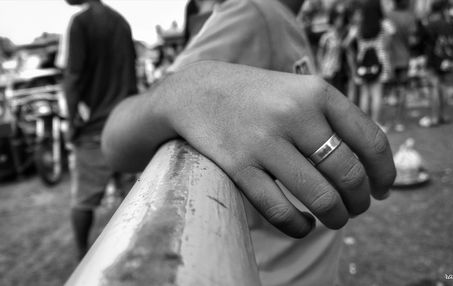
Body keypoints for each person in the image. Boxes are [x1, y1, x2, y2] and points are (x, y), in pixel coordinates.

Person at [102, 0, 396, 285]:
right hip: (269, 272)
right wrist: (189, 87)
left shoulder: (280, 16)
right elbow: (115, 138)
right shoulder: (252, 11)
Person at [63, 0, 137, 259]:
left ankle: (81, 254)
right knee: (133, 194)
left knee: (84, 199)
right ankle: (136, 247)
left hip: (95, 127)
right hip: (126, 122)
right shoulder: (121, 22)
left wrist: (72, 122)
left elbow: (73, 76)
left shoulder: (81, 23)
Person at [344, 0, 394, 131]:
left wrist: (354, 57)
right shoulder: (383, 23)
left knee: (365, 94)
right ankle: (376, 123)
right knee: (377, 93)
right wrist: (383, 47)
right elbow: (391, 36)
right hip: (379, 62)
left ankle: (365, 126)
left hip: (363, 63)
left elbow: (346, 43)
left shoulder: (359, 25)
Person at [419, 0, 453, 127]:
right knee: (444, 86)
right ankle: (444, 115)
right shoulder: (448, 24)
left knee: (434, 86)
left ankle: (435, 117)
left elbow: (421, 41)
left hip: (433, 59)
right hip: (446, 59)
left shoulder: (430, 25)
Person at [386, 0, 418, 132]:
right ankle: (399, 120)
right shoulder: (410, 17)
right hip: (404, 57)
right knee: (403, 89)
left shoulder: (389, 15)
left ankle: (392, 119)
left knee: (392, 90)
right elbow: (412, 40)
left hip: (390, 57)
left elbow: (386, 36)